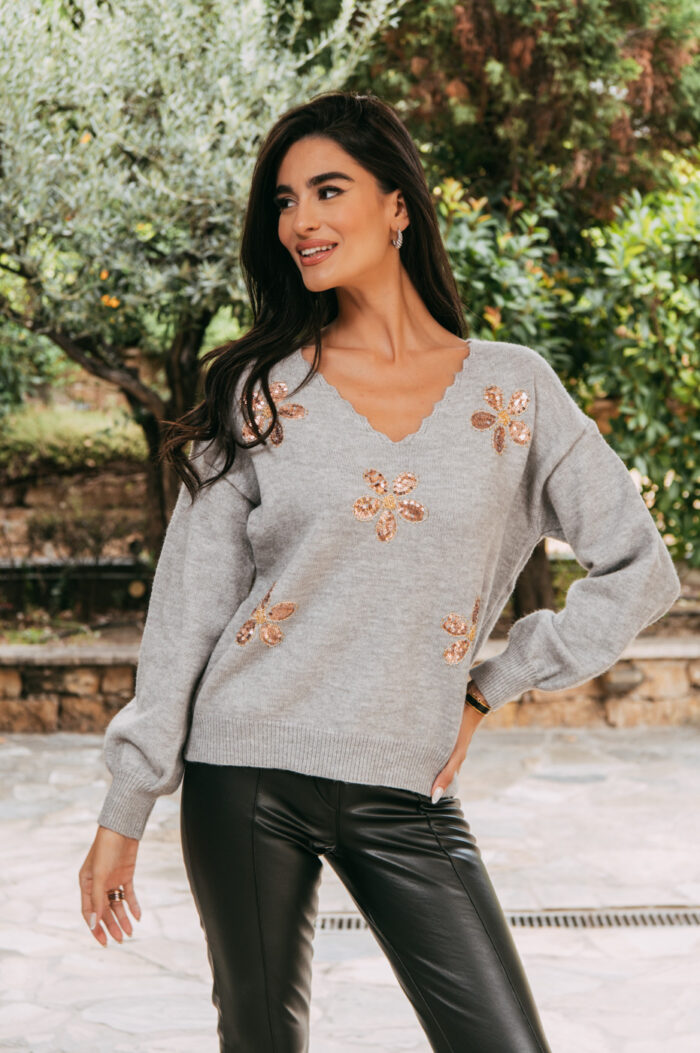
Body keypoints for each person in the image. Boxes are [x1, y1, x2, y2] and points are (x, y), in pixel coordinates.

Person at [78, 90, 680, 1053]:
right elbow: (188, 611)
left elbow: (639, 567)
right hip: (247, 769)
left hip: (407, 788)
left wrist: (490, 686)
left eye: (328, 190)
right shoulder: (258, 391)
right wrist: (125, 808)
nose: (301, 221)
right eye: (285, 201)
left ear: (398, 204)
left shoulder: (514, 389)